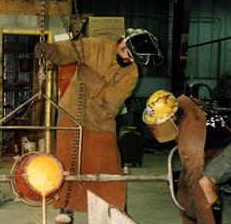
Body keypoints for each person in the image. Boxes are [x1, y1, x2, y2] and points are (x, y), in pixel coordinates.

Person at [34, 28, 162, 212]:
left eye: (134, 59)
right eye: (128, 54)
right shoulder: (94, 46)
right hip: (71, 115)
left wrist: (93, 81)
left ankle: (113, 210)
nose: (129, 60)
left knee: (108, 170)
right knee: (67, 166)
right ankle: (66, 210)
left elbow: (114, 99)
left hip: (101, 122)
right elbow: (68, 51)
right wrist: (51, 51)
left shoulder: (131, 73)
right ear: (121, 42)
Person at [143, 90, 231, 224]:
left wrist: (198, 204)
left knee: (202, 185)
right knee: (182, 182)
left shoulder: (190, 136)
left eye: (160, 122)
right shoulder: (181, 101)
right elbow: (198, 101)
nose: (157, 125)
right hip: (214, 145)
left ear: (172, 117)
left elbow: (195, 176)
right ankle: (191, 223)